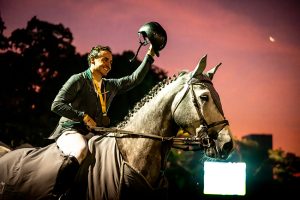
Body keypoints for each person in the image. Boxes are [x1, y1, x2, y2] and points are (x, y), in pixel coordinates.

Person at [48, 44, 156, 196]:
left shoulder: (110, 85)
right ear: (92, 60)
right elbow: (56, 105)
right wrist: (82, 116)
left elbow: (133, 79)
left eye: (111, 62)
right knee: (80, 150)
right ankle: (58, 194)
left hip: (94, 133)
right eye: (105, 59)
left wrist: (150, 55)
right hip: (70, 130)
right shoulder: (78, 79)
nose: (109, 64)